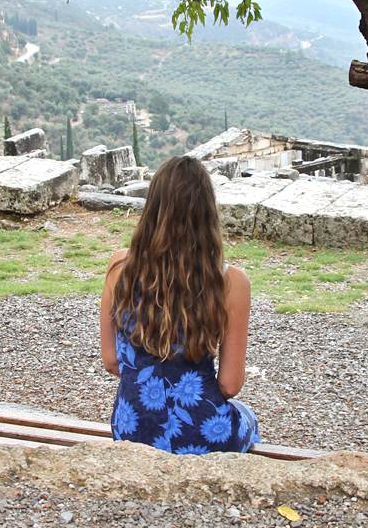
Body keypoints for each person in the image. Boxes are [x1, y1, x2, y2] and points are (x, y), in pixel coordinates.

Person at [99, 155, 261, 453]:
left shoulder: (119, 267)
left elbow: (111, 362)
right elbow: (229, 386)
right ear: (208, 213)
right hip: (204, 435)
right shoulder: (231, 283)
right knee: (247, 416)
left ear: (152, 208)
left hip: (132, 429)